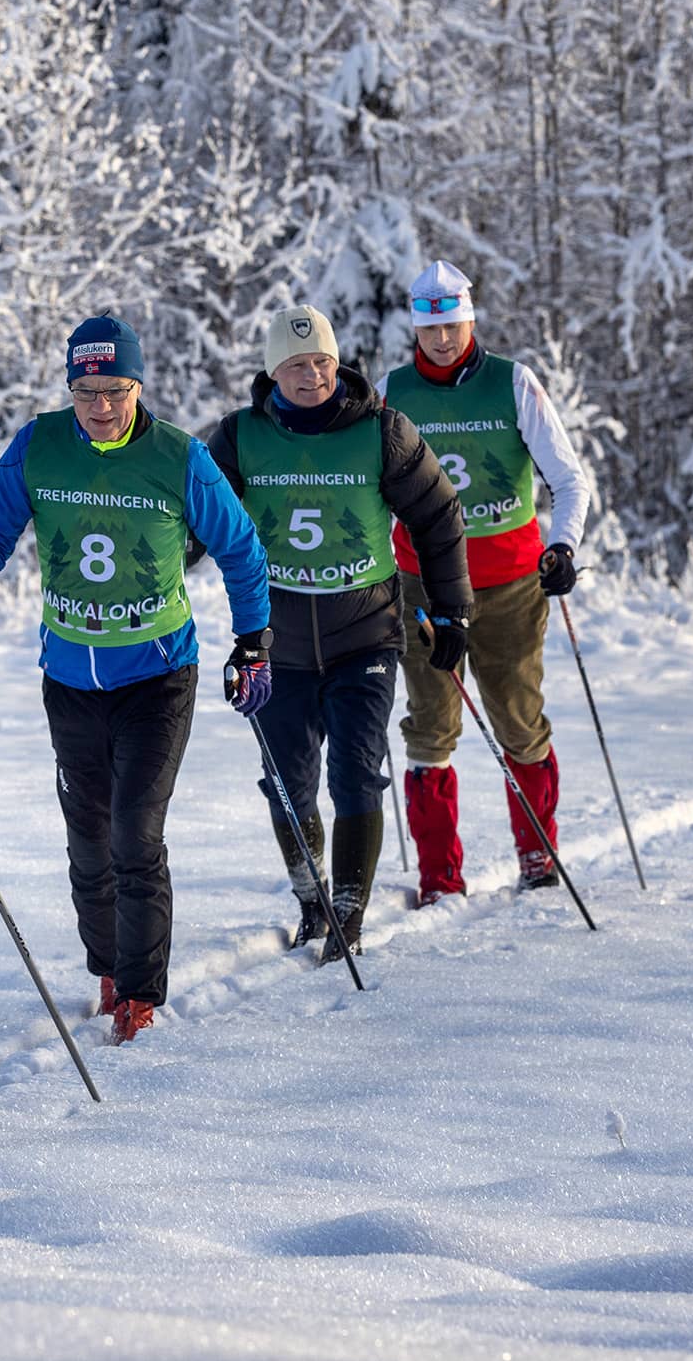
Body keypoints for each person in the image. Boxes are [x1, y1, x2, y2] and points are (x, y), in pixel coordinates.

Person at [0, 315, 272, 1044]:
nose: (100, 406)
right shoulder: (39, 445)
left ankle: (139, 990)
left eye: (115, 390)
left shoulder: (179, 457)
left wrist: (253, 642)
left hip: (157, 676)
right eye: (87, 391)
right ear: (71, 386)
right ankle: (107, 965)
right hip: (68, 675)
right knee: (88, 838)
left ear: (138, 385)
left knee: (135, 831)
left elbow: (242, 549)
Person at [206, 305, 470, 959]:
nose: (312, 375)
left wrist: (451, 610)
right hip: (276, 645)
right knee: (287, 784)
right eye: (296, 364)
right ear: (274, 371)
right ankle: (313, 899)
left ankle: (349, 914)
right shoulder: (238, 437)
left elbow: (438, 516)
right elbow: (195, 520)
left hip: (365, 637)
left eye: (321, 361)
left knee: (357, 774)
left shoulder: (382, 431)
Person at [382, 261, 594, 900]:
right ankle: (439, 877)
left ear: (470, 318)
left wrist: (563, 547)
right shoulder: (393, 392)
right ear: (416, 328)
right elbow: (371, 491)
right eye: (431, 327)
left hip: (508, 583)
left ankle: (537, 852)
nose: (443, 339)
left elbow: (568, 478)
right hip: (422, 583)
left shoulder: (512, 382)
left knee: (517, 719)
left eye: (453, 324)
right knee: (430, 727)